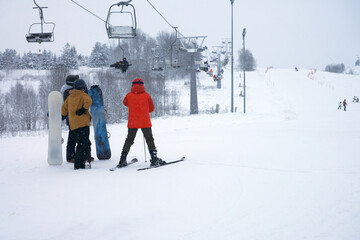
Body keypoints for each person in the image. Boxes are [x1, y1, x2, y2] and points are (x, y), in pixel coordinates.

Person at [117, 78, 166, 167]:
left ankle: (122, 159)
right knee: (149, 139)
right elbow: (151, 109)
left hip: (133, 122)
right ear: (142, 85)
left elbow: (125, 103)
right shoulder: (147, 96)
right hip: (145, 122)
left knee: (129, 139)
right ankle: (154, 158)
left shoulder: (129, 95)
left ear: (133, 85)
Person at [61, 79, 93, 170]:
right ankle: (81, 163)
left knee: (82, 142)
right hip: (83, 124)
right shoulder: (83, 95)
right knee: (83, 144)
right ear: (82, 87)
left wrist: (62, 116)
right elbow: (89, 101)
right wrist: (83, 109)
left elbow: (64, 108)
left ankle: (84, 161)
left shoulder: (70, 97)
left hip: (73, 125)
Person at [60, 75, 79, 163]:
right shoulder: (68, 91)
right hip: (72, 117)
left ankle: (80, 154)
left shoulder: (67, 90)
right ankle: (71, 156)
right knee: (73, 137)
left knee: (77, 136)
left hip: (74, 117)